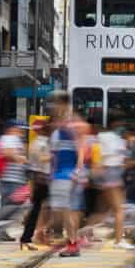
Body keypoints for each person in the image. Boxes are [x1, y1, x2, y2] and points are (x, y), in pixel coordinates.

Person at [48, 91, 85, 257]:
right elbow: (55, 154)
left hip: (67, 175)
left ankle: (73, 243)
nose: (52, 106)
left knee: (66, 211)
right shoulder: (59, 124)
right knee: (62, 211)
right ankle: (73, 240)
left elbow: (81, 149)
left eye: (55, 103)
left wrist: (77, 170)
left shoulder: (71, 124)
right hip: (59, 175)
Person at [95, 117, 131, 248]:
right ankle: (119, 240)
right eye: (120, 123)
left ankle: (81, 235)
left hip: (113, 174)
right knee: (119, 209)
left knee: (103, 211)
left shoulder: (117, 138)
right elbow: (104, 157)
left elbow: (123, 159)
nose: (122, 126)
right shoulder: (107, 137)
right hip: (110, 174)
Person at [20, 119, 52, 250]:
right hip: (42, 178)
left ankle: (32, 236)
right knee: (42, 208)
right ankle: (33, 235)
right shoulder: (40, 143)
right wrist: (56, 155)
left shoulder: (36, 142)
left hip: (40, 178)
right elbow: (42, 159)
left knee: (40, 209)